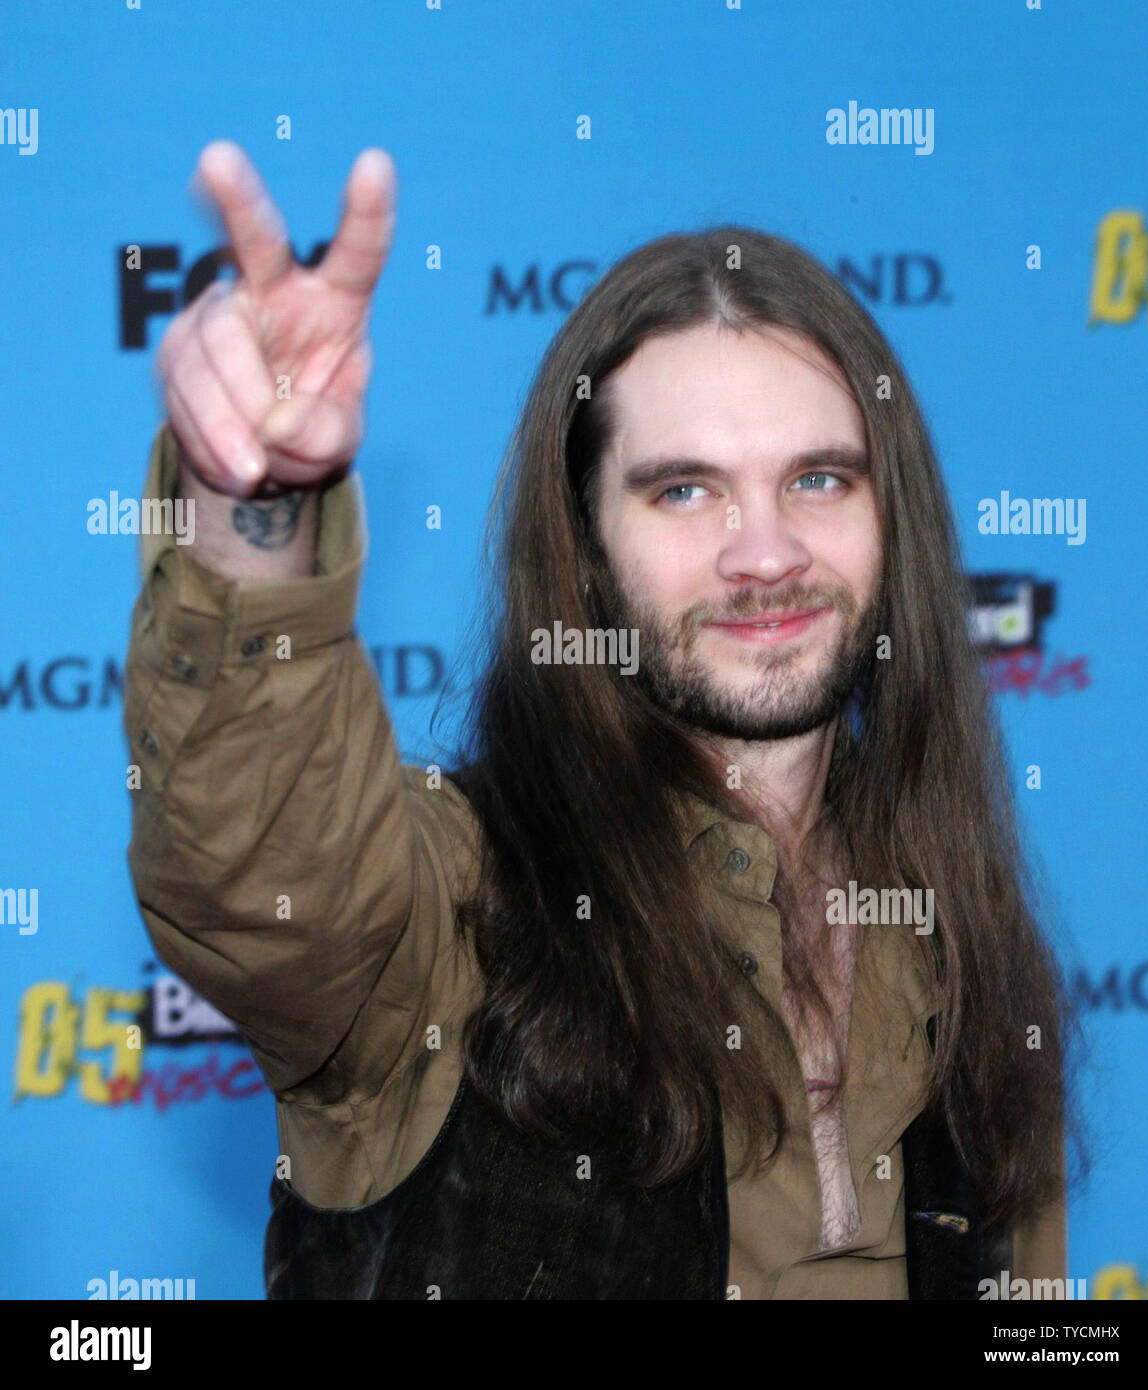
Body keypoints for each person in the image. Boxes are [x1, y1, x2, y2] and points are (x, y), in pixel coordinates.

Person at [124, 140, 1075, 1300]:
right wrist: (255, 507)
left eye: (818, 479)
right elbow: (257, 867)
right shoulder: (455, 907)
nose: (763, 550)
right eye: (683, 489)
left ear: (894, 520)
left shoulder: (947, 915)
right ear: (583, 552)